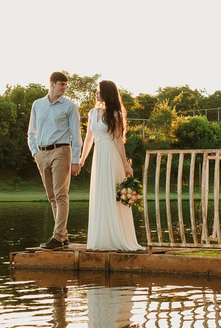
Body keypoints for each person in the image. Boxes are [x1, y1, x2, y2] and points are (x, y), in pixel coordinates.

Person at [79, 80, 142, 251]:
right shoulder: (92, 113)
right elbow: (89, 138)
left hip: (111, 156)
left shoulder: (115, 113)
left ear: (107, 93)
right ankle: (101, 238)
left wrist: (125, 165)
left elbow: (118, 140)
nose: (96, 93)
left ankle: (117, 237)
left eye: (99, 91)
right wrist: (82, 158)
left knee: (113, 194)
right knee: (100, 193)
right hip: (99, 155)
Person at [27, 71, 82, 250]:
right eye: (62, 84)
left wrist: (75, 160)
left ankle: (57, 237)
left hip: (61, 151)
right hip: (42, 154)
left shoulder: (69, 106)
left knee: (60, 194)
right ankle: (63, 236)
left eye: (66, 85)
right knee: (52, 197)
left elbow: (76, 134)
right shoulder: (37, 105)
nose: (64, 88)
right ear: (52, 84)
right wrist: (35, 153)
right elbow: (31, 132)